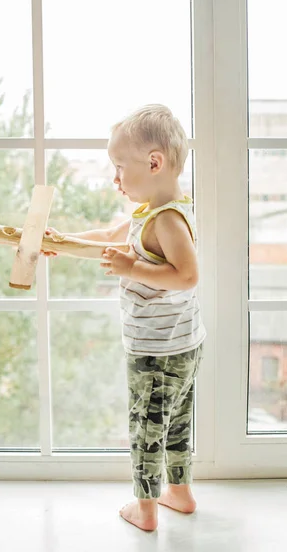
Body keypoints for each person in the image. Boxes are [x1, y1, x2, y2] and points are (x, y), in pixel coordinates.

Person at [42, 104, 206, 531]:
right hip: (182, 344)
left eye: (119, 168)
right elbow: (109, 240)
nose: (115, 179)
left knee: (147, 426)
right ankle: (180, 492)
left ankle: (146, 510)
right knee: (176, 423)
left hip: (157, 350)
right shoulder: (153, 211)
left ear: (154, 163)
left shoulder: (166, 221)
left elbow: (187, 275)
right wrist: (62, 241)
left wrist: (133, 269)